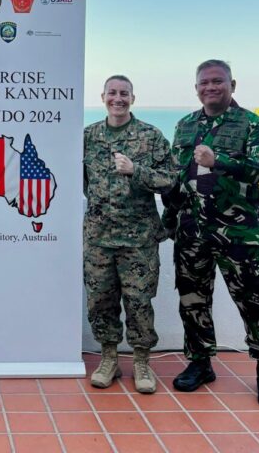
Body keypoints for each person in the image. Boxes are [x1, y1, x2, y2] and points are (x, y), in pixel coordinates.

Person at [162, 59, 259, 406]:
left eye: (217, 81)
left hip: (238, 233)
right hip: (191, 231)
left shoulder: (251, 124)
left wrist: (220, 162)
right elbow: (177, 176)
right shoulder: (185, 126)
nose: (210, 88)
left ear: (232, 84)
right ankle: (200, 363)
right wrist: (168, 217)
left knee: (253, 300)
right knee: (192, 300)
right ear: (196, 87)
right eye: (204, 83)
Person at [83, 75, 175, 393]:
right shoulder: (89, 136)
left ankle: (141, 361)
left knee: (138, 302)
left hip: (138, 239)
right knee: (100, 302)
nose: (118, 99)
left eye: (124, 94)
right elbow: (82, 181)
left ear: (132, 99)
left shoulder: (151, 136)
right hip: (99, 238)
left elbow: (170, 179)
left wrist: (137, 171)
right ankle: (109, 358)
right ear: (103, 97)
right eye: (112, 93)